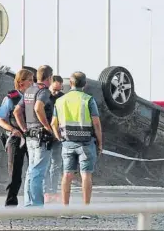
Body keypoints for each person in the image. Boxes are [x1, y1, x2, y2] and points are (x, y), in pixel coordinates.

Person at [51, 71, 102, 218]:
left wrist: (59, 137)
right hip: (86, 143)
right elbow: (96, 124)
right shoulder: (88, 100)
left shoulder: (60, 101)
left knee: (67, 175)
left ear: (71, 83)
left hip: (67, 143)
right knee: (86, 175)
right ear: (84, 84)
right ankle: (86, 211)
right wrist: (100, 143)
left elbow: (53, 123)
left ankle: (65, 211)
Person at [13, 65, 54, 207]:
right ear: (50, 78)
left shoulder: (29, 91)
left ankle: (28, 203)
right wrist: (47, 127)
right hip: (41, 137)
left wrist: (24, 128)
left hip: (30, 135)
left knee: (31, 170)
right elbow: (38, 107)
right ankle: (37, 205)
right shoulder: (43, 91)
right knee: (38, 171)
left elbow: (17, 111)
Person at [0, 68, 34, 206]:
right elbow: (0, 119)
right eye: (29, 80)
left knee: (34, 170)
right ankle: (11, 202)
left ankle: (32, 201)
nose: (32, 83)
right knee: (15, 173)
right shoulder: (10, 98)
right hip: (16, 139)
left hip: (32, 138)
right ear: (20, 83)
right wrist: (13, 129)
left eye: (33, 80)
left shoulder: (34, 97)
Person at [44, 75, 65, 203]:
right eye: (54, 89)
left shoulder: (63, 97)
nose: (56, 92)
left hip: (58, 135)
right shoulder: (43, 96)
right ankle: (46, 191)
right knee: (45, 164)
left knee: (57, 164)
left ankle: (53, 190)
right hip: (46, 135)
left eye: (59, 89)